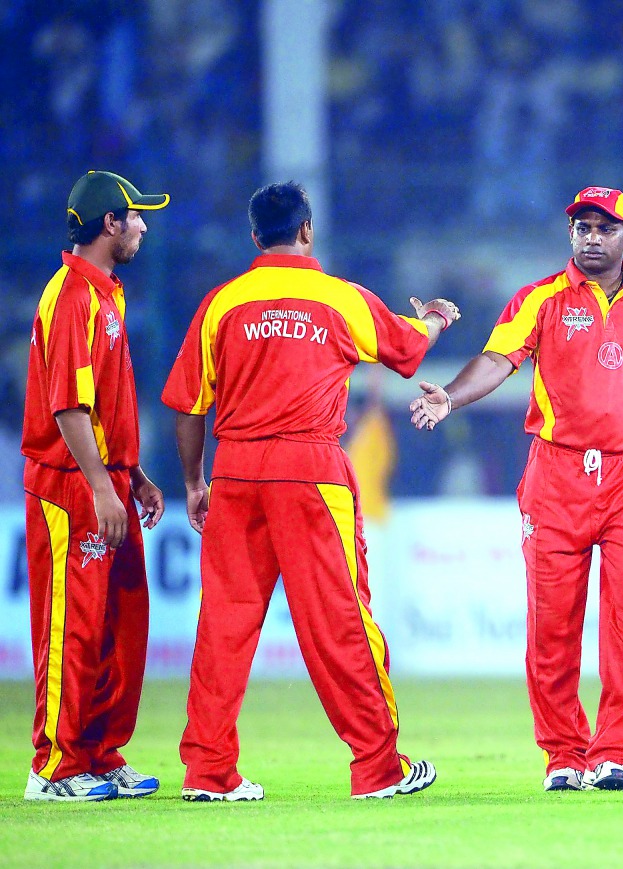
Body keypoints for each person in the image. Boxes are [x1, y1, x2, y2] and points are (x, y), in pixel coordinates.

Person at [162, 181, 456, 801]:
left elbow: (187, 403)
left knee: (224, 625)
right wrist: (434, 316)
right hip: (310, 470)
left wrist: (194, 482)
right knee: (340, 620)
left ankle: (209, 774)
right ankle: (379, 768)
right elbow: (406, 350)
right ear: (307, 231)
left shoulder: (223, 303)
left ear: (253, 237)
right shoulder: (337, 298)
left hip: (235, 473)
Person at [409, 186, 623, 793]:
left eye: (604, 228)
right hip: (556, 476)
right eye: (581, 226)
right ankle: (563, 754)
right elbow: (498, 359)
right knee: (552, 627)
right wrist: (449, 396)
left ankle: (616, 755)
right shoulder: (539, 299)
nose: (590, 236)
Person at [22, 171, 168, 801]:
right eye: (135, 215)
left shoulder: (106, 294)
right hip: (70, 485)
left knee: (117, 628)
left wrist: (131, 474)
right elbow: (66, 409)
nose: (143, 224)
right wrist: (102, 489)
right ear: (110, 223)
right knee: (69, 627)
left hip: (105, 478)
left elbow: (102, 403)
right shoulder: (71, 297)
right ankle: (54, 769)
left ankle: (100, 755)